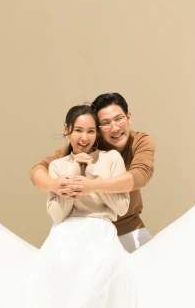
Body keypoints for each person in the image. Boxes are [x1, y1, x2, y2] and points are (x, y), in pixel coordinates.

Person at [25, 104, 136, 308]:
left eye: (91, 131)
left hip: (101, 234)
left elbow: (121, 208)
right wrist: (76, 170)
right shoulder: (58, 166)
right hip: (64, 238)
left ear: (97, 134)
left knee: (94, 297)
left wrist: (92, 174)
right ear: (67, 129)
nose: (84, 138)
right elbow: (58, 215)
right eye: (78, 130)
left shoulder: (111, 158)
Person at [29, 93, 155, 252]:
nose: (114, 128)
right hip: (82, 232)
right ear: (99, 129)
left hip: (127, 226)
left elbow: (140, 175)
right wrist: (56, 185)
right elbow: (38, 170)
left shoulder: (139, 142)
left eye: (119, 119)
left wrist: (93, 184)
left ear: (128, 117)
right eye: (105, 123)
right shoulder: (86, 143)